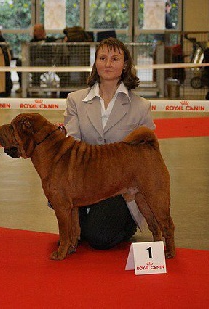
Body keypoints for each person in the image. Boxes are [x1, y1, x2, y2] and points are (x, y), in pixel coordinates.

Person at [63, 37, 156, 250]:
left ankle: (126, 223)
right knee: (80, 235)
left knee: (98, 238)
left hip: (120, 187)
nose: (108, 63)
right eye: (102, 58)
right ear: (95, 63)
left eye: (115, 58)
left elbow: (147, 155)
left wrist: (133, 187)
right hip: (84, 181)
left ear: (125, 65)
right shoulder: (75, 101)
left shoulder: (141, 106)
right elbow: (72, 145)